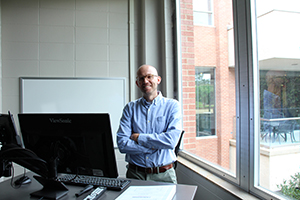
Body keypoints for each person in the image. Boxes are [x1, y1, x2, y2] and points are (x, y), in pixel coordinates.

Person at [117, 64, 182, 183]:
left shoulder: (172, 106)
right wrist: (154, 147)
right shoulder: (130, 108)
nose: (145, 81)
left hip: (164, 175)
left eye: (149, 76)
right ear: (137, 83)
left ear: (158, 80)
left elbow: (171, 141)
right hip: (135, 174)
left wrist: (139, 138)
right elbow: (122, 144)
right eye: (141, 78)